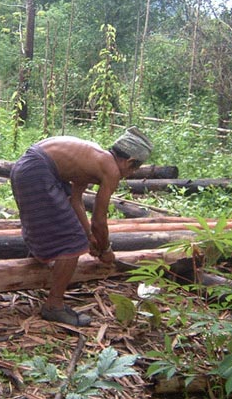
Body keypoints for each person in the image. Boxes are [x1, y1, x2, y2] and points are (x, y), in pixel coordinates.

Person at [10, 127, 153, 326]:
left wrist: (89, 237)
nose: (130, 174)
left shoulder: (94, 159)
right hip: (37, 170)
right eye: (134, 169)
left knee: (54, 227)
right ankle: (54, 305)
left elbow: (75, 200)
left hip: (26, 167)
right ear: (128, 162)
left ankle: (26, 277)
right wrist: (105, 249)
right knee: (72, 243)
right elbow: (99, 220)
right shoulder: (111, 170)